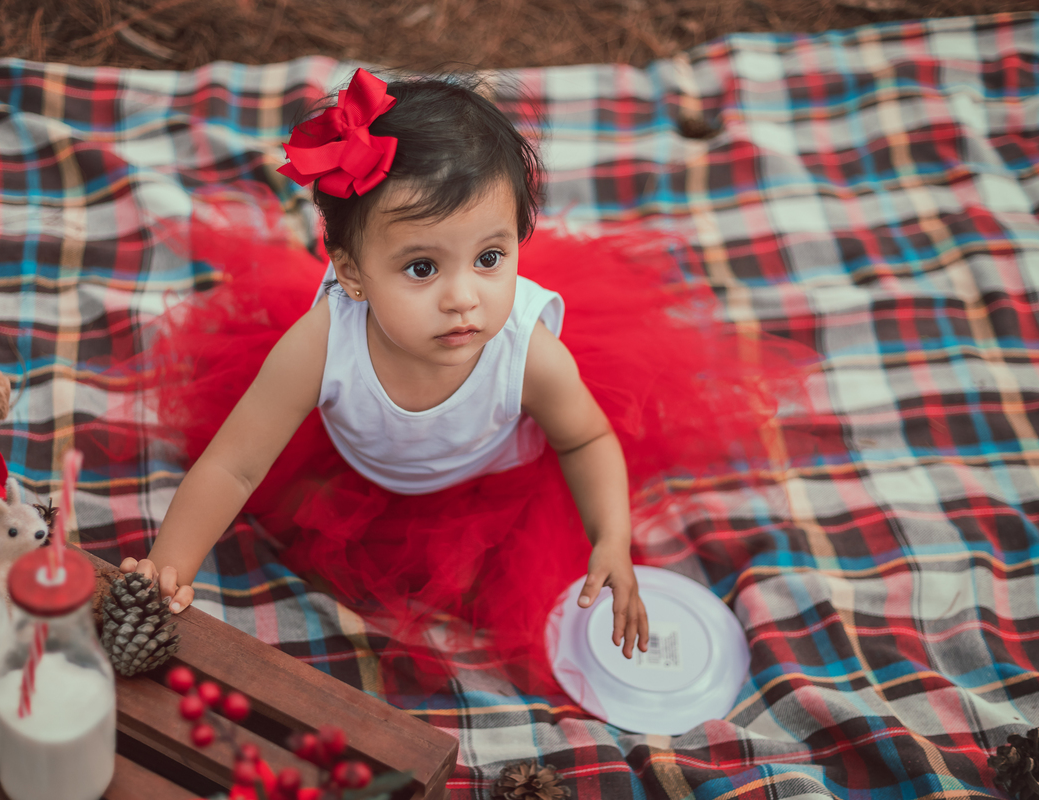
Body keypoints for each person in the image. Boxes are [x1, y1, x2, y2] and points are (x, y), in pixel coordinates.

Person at [121, 68, 806, 696]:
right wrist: (168, 567)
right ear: (352, 272)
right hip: (366, 461)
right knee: (299, 509)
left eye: (489, 258)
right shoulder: (324, 342)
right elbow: (236, 466)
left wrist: (610, 538)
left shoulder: (525, 351)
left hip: (492, 484)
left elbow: (586, 438)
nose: (463, 299)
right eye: (422, 268)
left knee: (489, 572)